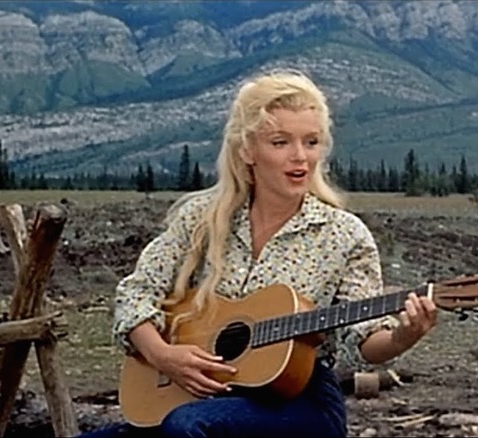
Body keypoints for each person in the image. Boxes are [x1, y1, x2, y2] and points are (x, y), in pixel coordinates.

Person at [80, 69, 438, 438]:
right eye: (280, 142)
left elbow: (361, 342)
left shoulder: (345, 235)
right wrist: (163, 356)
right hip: (202, 394)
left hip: (298, 403)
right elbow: (136, 292)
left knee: (188, 425)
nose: (300, 157)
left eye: (311, 142)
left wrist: (403, 336)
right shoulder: (201, 217)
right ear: (247, 149)